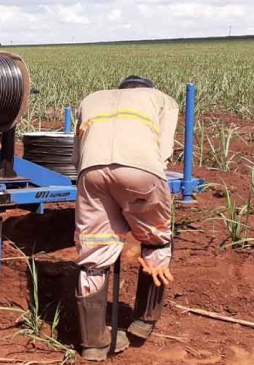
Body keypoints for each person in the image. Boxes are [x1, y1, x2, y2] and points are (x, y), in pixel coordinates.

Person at [70, 75, 180, 361]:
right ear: (147, 90)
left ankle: (93, 343)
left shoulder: (91, 98)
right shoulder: (162, 100)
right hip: (141, 171)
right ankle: (144, 322)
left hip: (91, 173)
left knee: (93, 253)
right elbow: (164, 151)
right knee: (156, 241)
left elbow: (75, 157)